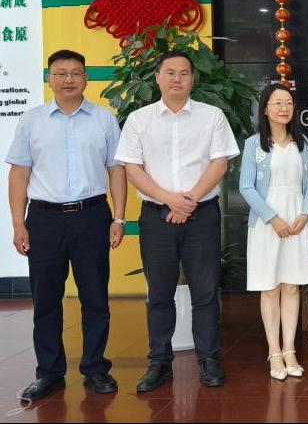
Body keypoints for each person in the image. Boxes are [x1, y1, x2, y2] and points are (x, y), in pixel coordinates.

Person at [115, 50, 239, 391]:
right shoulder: (139, 120)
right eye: (170, 72)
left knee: (205, 292)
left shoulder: (212, 116)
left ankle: (208, 359)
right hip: (156, 218)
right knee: (159, 293)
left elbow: (220, 163)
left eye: (184, 73)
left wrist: (188, 201)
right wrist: (169, 199)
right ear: (157, 77)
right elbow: (132, 168)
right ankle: (159, 363)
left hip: (202, 216)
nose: (177, 79)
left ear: (192, 79)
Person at [7, 50, 127, 401]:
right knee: (46, 300)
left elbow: (116, 171)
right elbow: (19, 174)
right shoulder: (32, 121)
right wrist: (18, 224)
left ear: (86, 78)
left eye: (76, 73)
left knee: (95, 298)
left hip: (92, 216)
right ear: (49, 79)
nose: (68, 79)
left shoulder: (104, 120)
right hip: (44, 219)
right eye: (60, 73)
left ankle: (95, 369)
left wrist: (119, 217)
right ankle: (49, 373)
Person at [239, 85, 308, 380]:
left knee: (292, 286)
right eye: (277, 103)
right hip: (266, 224)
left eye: (288, 103)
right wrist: (272, 218)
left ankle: (290, 350)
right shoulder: (253, 145)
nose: (284, 108)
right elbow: (246, 186)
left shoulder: (301, 142)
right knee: (270, 287)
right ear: (265, 108)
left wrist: (305, 213)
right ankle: (274, 352)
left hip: (297, 222)